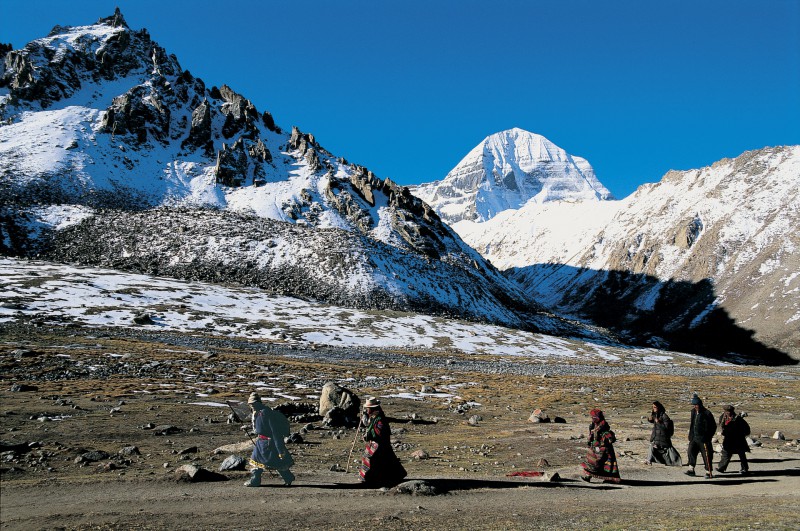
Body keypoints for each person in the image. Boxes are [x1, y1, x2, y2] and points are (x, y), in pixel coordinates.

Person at [244, 392, 295, 487]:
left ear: (258, 403)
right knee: (256, 460)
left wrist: (280, 449)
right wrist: (247, 428)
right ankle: (256, 480)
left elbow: (274, 431)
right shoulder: (258, 413)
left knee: (276, 461)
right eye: (251, 404)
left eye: (253, 404)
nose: (252, 406)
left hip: (269, 443)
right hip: (261, 442)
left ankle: (288, 477)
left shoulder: (266, 413)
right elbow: (259, 429)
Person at [358, 397, 407, 486]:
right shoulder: (374, 416)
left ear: (372, 408)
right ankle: (373, 477)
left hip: (380, 444)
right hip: (374, 443)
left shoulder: (380, 419)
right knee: (381, 459)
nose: (366, 410)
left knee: (373, 458)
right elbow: (368, 425)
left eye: (368, 408)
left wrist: (368, 435)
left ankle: (371, 477)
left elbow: (378, 432)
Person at [580, 408, 621, 483]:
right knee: (592, 463)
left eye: (593, 417)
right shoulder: (593, 425)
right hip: (595, 447)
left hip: (604, 448)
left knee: (603, 463)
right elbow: (591, 435)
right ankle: (588, 476)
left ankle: (608, 479)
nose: (592, 419)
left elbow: (607, 436)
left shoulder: (603, 425)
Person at [685, 393, 716, 479]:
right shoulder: (693, 412)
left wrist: (708, 436)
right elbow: (692, 424)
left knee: (706, 455)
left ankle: (708, 471)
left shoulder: (707, 413)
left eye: (697, 405)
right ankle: (691, 469)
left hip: (704, 439)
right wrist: (690, 435)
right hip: (694, 437)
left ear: (700, 404)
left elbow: (713, 426)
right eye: (694, 405)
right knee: (691, 451)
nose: (695, 406)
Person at [716, 405, 750, 474]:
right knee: (725, 453)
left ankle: (744, 468)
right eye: (726, 411)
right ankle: (722, 467)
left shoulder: (738, 419)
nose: (728, 413)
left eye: (729, 412)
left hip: (738, 439)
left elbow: (746, 429)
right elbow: (721, 426)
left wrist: (742, 435)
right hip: (728, 439)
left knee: (741, 454)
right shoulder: (722, 417)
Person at [646, 401, 682, 466]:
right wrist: (649, 419)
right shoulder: (655, 414)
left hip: (663, 437)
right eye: (653, 407)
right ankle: (649, 460)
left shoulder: (664, 416)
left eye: (655, 407)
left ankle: (675, 461)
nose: (653, 408)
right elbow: (653, 420)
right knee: (652, 447)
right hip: (656, 436)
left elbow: (666, 427)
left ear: (658, 407)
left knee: (667, 449)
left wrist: (659, 422)